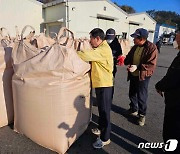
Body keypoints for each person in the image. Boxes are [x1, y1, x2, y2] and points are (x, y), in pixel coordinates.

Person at [77, 28, 113, 148]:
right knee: (102, 110)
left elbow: (85, 55)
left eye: (91, 39)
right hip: (100, 83)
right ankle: (101, 129)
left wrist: (71, 52)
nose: (90, 41)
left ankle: (105, 138)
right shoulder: (100, 48)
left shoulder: (103, 50)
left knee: (105, 112)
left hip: (104, 85)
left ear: (97, 38)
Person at [124, 28, 158, 126]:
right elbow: (129, 57)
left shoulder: (152, 48)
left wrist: (137, 67)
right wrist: (125, 61)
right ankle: (133, 109)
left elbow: (151, 64)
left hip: (143, 76)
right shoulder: (135, 47)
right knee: (132, 93)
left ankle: (142, 115)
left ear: (142, 39)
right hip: (133, 74)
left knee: (141, 96)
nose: (133, 39)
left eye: (135, 37)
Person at [155, 32, 180, 153]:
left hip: (176, 103)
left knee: (172, 130)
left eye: (176, 37)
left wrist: (159, 85)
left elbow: (173, 78)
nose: (174, 40)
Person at [105, 28, 122, 99]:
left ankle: (109, 98)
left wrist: (118, 59)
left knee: (110, 84)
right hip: (103, 67)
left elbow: (119, 53)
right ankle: (101, 98)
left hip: (112, 67)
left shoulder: (116, 44)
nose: (109, 40)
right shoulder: (103, 42)